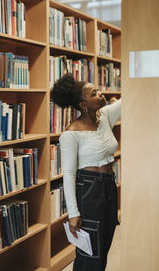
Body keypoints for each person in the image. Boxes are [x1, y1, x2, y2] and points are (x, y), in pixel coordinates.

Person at [50, 74, 121, 271]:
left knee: (104, 244)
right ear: (83, 104)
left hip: (109, 185)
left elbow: (130, 98)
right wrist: (73, 213)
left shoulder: (105, 116)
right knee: (91, 253)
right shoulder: (71, 133)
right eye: (94, 93)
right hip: (89, 188)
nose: (101, 94)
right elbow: (70, 175)